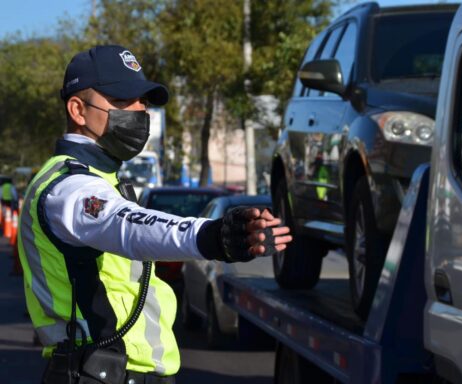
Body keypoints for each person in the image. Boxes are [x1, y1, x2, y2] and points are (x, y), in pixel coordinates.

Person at [18, 44, 292, 384]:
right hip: (100, 372)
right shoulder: (68, 187)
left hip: (118, 371)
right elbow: (128, 227)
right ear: (77, 109)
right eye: (122, 101)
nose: (139, 111)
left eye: (143, 101)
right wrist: (212, 235)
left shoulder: (101, 179)